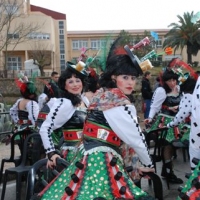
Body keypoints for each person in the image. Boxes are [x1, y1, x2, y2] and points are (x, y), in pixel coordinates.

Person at [37, 39, 155, 200]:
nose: (130, 82)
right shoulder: (117, 101)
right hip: (97, 157)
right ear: (114, 77)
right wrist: (148, 164)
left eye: (133, 78)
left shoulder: (98, 97)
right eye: (125, 77)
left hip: (85, 153)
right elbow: (136, 137)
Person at [39, 61, 89, 164]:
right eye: (70, 82)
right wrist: (51, 154)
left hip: (87, 151)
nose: (75, 85)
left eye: (78, 81)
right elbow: (45, 128)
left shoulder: (84, 100)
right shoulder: (65, 103)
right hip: (74, 155)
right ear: (64, 85)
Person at [145, 64, 183, 184]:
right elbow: (155, 107)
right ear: (165, 81)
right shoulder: (161, 90)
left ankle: (166, 170)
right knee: (168, 145)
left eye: (174, 80)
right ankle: (168, 172)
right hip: (165, 121)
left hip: (177, 121)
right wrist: (150, 118)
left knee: (174, 146)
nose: (172, 83)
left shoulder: (179, 88)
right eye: (169, 80)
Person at [9, 78, 39, 153]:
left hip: (19, 128)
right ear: (32, 93)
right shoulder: (32, 103)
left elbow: (12, 111)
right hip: (28, 130)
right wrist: (37, 126)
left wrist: (18, 121)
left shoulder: (20, 101)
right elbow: (33, 118)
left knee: (23, 148)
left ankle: (24, 158)